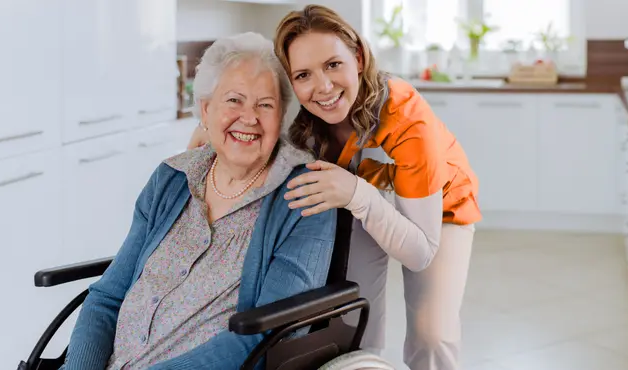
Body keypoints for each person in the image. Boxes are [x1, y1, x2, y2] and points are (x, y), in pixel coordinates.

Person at [187, 6, 482, 370]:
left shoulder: (406, 118)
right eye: (303, 74)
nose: (323, 87)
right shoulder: (300, 113)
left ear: (357, 57)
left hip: (439, 208)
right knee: (354, 316)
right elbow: (253, 120)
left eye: (333, 65)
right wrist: (213, 127)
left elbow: (420, 252)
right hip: (355, 196)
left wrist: (358, 194)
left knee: (431, 333)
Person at [62, 32, 337, 370]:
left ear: (281, 118)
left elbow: (268, 334)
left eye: (265, 105)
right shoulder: (172, 177)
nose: (249, 118)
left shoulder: (304, 195)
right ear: (206, 111)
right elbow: (106, 299)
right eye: (234, 100)